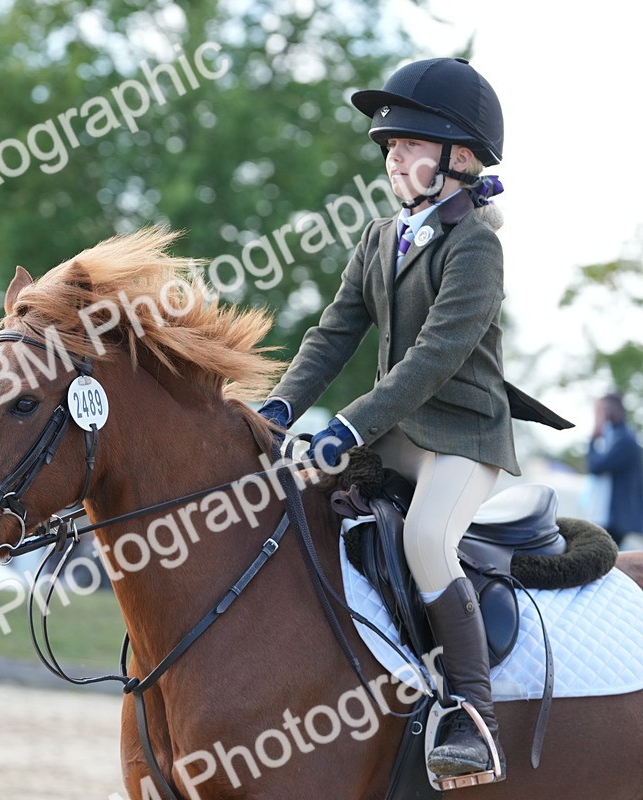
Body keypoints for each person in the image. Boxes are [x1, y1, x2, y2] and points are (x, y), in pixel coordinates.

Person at [256, 58, 568, 782]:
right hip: (395, 431)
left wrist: (349, 427)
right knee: (300, 506)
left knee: (429, 539)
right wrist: (280, 407)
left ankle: (471, 714)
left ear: (460, 160)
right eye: (389, 144)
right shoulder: (377, 237)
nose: (392, 153)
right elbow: (333, 335)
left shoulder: (477, 246)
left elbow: (433, 359)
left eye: (409, 143)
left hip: (461, 436)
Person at [587, 393, 643, 545]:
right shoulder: (612, 437)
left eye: (599, 411)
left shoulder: (625, 440)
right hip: (610, 518)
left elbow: (595, 466)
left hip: (617, 520)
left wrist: (593, 437)